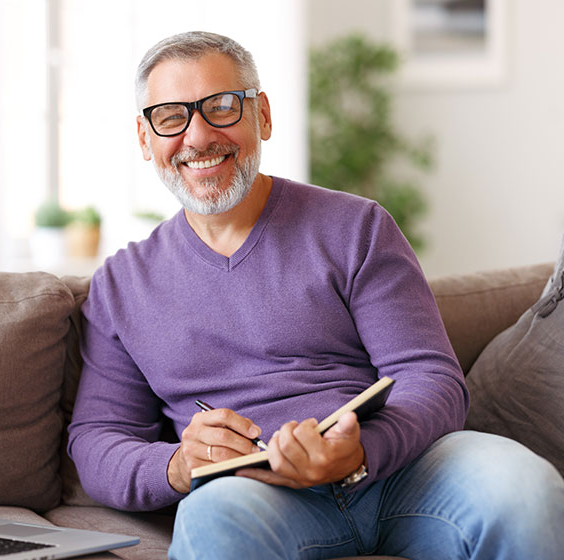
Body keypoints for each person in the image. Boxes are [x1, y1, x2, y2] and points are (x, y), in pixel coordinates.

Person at [67, 31, 564, 559]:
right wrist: (177, 465)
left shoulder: (357, 227)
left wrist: (361, 451)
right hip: (254, 495)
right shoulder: (121, 285)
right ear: (145, 139)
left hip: (403, 472)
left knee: (526, 489)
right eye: (171, 117)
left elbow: (431, 377)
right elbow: (98, 438)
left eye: (221, 107)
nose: (199, 135)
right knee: (211, 517)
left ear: (262, 116)